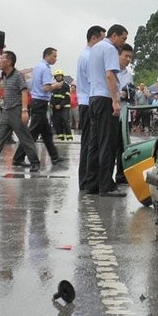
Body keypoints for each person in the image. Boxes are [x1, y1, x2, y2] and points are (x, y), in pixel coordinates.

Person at [0, 51, 41, 172]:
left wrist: (24, 110)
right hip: (6, 111)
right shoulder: (5, 75)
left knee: (25, 138)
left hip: (16, 110)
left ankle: (35, 162)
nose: (0, 60)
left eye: (3, 58)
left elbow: (24, 91)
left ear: (9, 62)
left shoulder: (18, 75)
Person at [84, 24, 128, 197]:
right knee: (108, 143)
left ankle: (92, 183)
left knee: (94, 144)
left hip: (93, 98)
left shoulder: (95, 48)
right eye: (123, 38)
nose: (123, 43)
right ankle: (106, 185)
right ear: (114, 35)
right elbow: (110, 75)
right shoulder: (109, 49)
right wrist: (115, 101)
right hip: (105, 98)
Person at [13, 47, 63, 167]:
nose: (55, 59)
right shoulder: (45, 69)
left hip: (37, 102)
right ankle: (18, 158)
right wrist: (56, 86)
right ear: (47, 56)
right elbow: (46, 87)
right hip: (40, 102)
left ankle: (54, 157)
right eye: (54, 56)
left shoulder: (37, 67)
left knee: (46, 133)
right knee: (32, 134)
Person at [76, 25, 106, 192]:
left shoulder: (86, 55)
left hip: (86, 102)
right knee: (89, 144)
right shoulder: (89, 57)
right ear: (94, 38)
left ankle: (86, 181)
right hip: (88, 103)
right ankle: (87, 181)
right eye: (102, 39)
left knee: (88, 144)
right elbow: (93, 80)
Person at [114, 43, 135, 185]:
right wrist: (118, 95)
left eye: (130, 57)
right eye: (126, 56)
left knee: (123, 147)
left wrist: (127, 94)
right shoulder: (111, 72)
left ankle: (121, 176)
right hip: (113, 113)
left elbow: (131, 94)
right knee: (111, 146)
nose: (128, 59)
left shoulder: (129, 75)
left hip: (125, 114)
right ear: (118, 55)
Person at [50, 70, 72, 141]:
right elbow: (51, 96)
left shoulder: (66, 85)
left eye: (59, 76)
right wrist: (54, 104)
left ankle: (69, 136)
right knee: (57, 121)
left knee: (65, 120)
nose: (58, 77)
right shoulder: (53, 86)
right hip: (55, 107)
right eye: (57, 76)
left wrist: (60, 105)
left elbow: (67, 97)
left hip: (65, 106)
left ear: (62, 76)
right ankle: (60, 136)